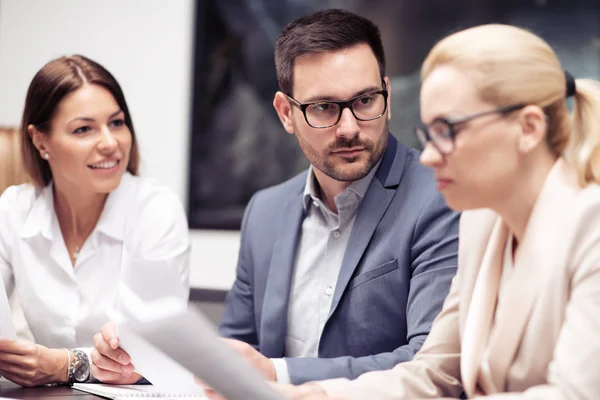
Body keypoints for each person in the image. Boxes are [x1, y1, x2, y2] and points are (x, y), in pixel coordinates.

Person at [91, 8, 459, 387]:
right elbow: (235, 352)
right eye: (324, 108)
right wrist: (149, 367)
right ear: (286, 113)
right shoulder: (265, 211)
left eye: (365, 100)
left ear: (388, 94)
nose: (350, 128)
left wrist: (278, 373)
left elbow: (428, 362)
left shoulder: (443, 198)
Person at [274, 23, 600, 400]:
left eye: (448, 130)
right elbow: (434, 373)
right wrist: (316, 395)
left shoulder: (590, 228)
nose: (427, 155)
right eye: (428, 133)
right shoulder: (482, 224)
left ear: (528, 128)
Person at [0, 55, 190, 387]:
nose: (110, 143)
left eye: (116, 123)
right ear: (40, 140)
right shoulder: (15, 209)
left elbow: (152, 351)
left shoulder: (155, 210)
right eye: (84, 129)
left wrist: (66, 364)